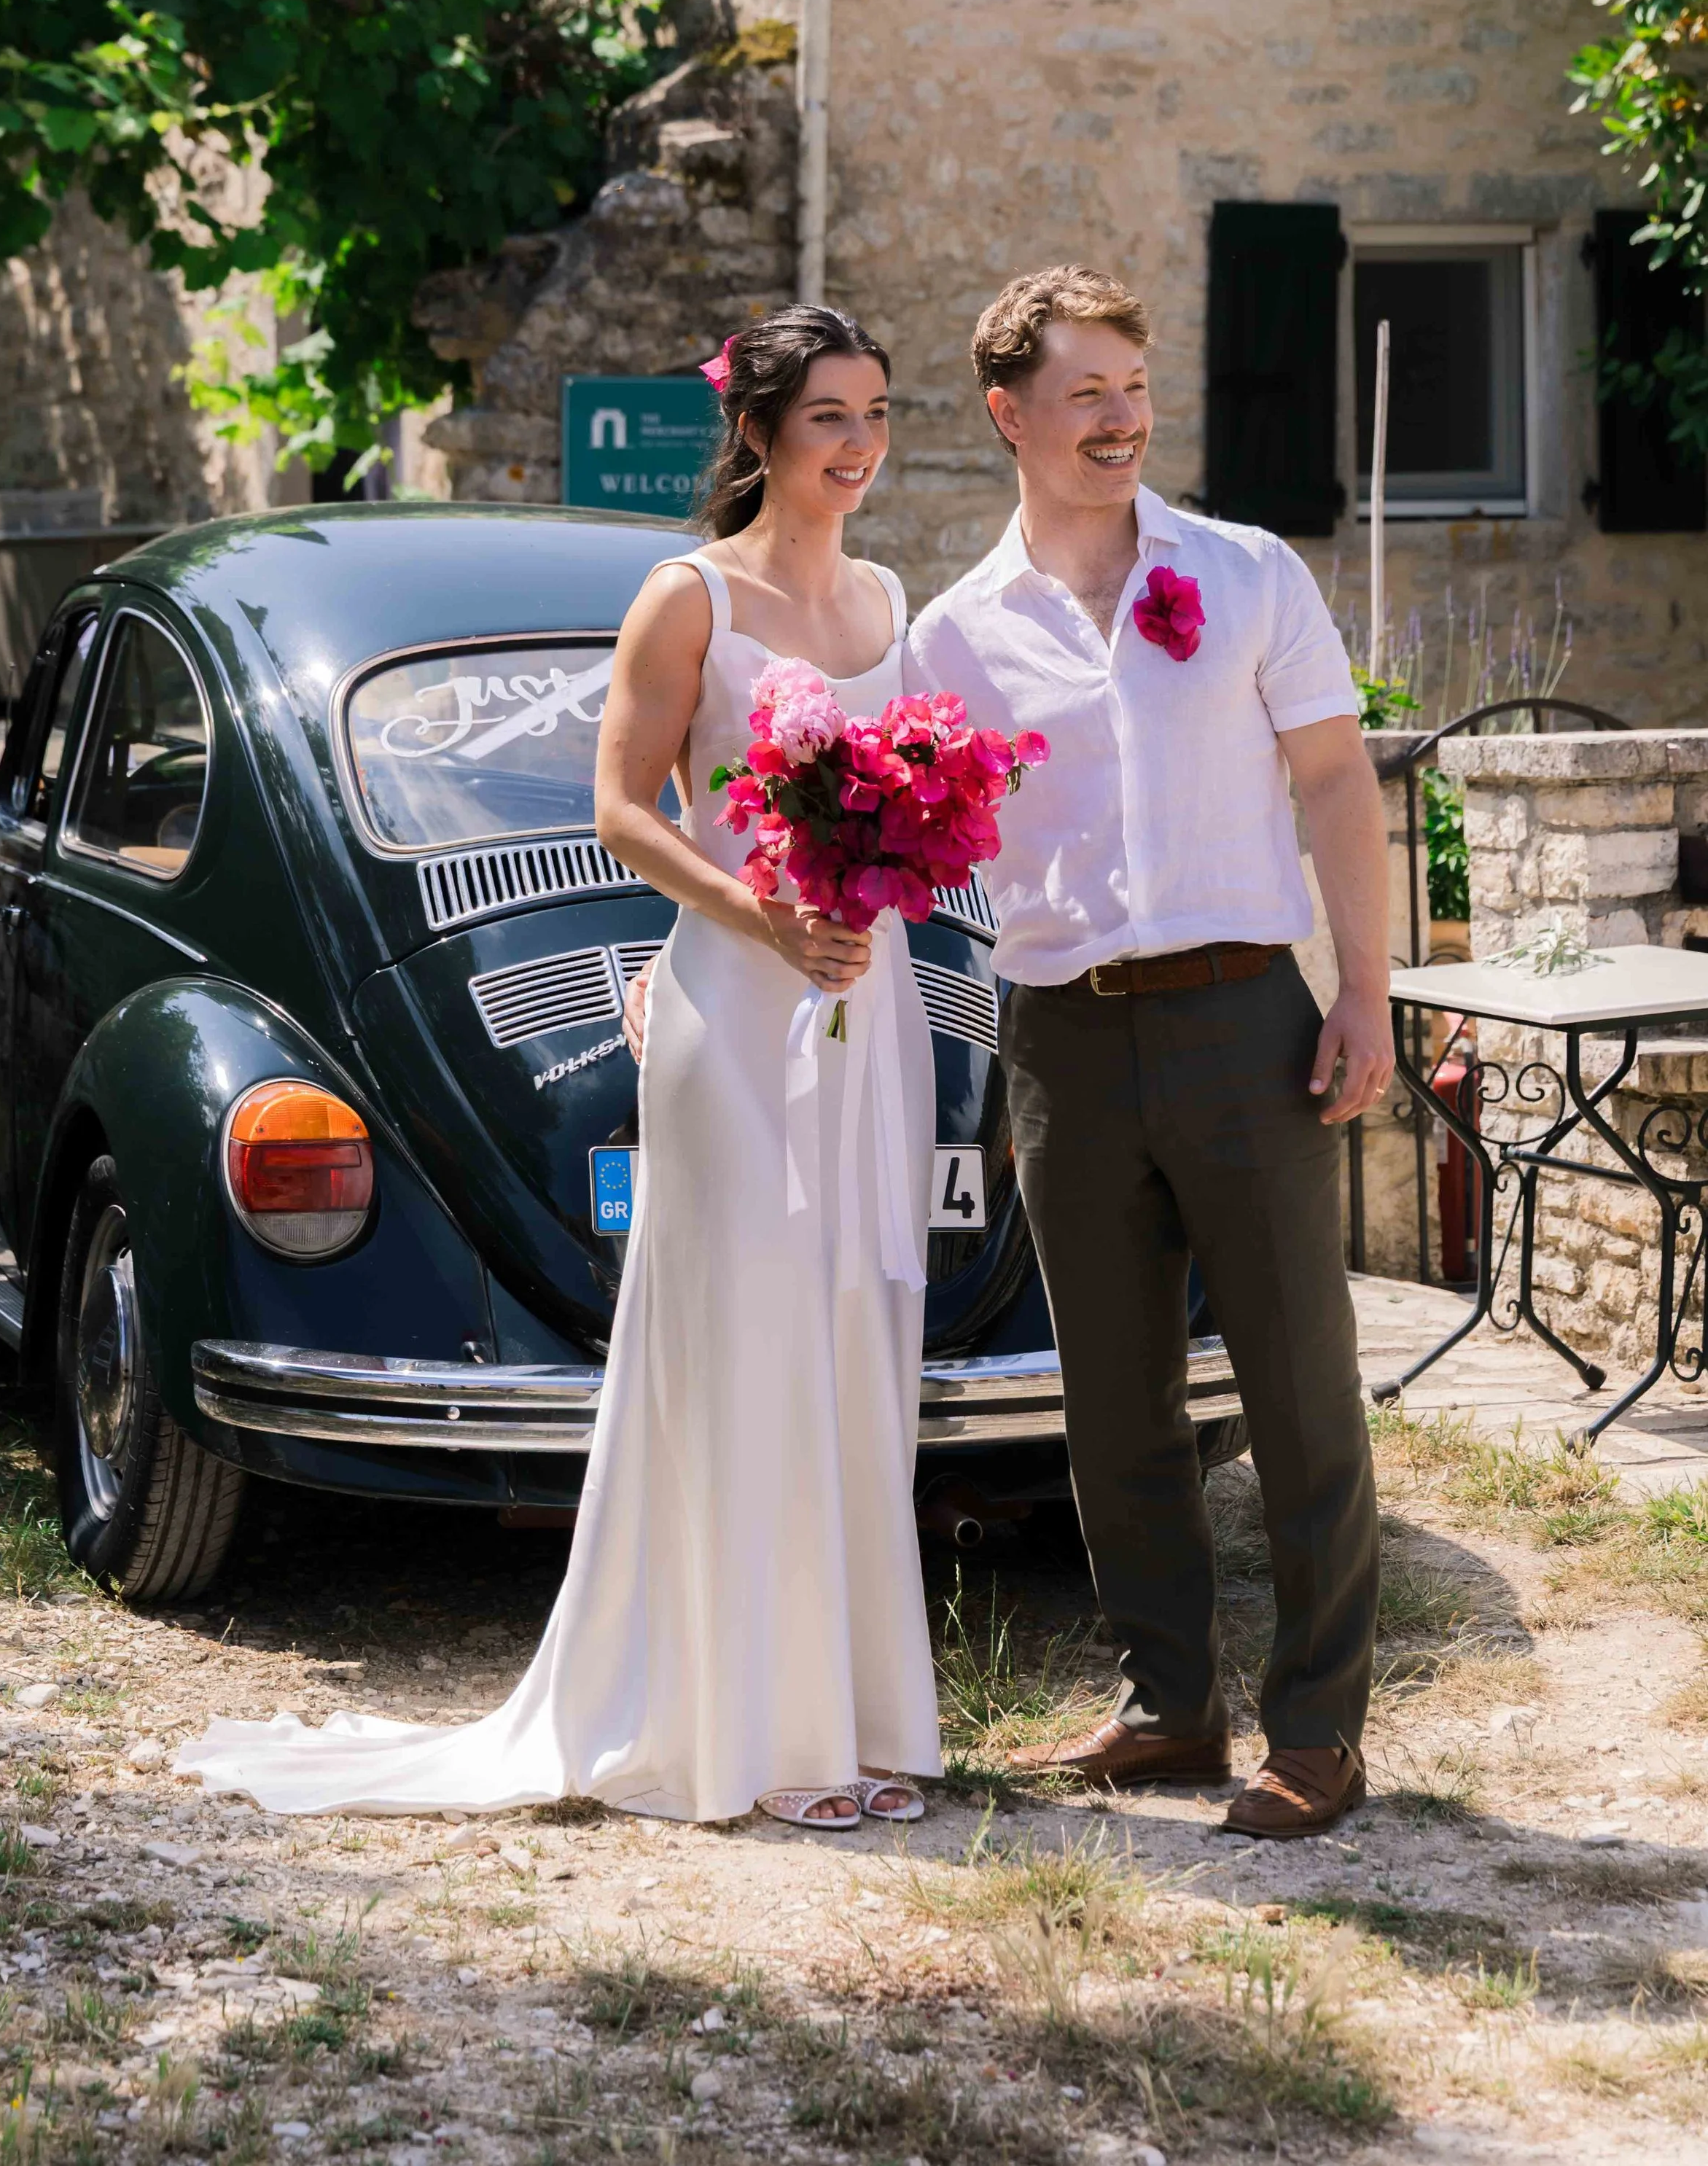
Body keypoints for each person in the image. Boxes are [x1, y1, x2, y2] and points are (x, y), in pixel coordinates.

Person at [175, 305, 943, 1830]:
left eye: (873, 416)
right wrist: (753, 920)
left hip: (873, 1000)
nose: (856, 448)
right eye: (826, 422)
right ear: (761, 437)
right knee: (737, 1329)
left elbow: (915, 793)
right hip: (739, 991)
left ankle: (852, 1717)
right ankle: (740, 1732)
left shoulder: (886, 599)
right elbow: (621, 810)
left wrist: (880, 892)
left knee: (855, 1326)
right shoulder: (688, 598)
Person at [907, 264, 1389, 1842]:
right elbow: (903, 836)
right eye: (1083, 394)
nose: (1119, 420)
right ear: (1009, 415)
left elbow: (1330, 782)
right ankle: (1168, 1706)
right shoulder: (952, 634)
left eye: (1131, 387)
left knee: (1299, 1388)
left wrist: (1363, 991)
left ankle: (1316, 1727)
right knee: (1109, 1399)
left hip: (1246, 1012)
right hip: (1056, 1039)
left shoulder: (1245, 573)